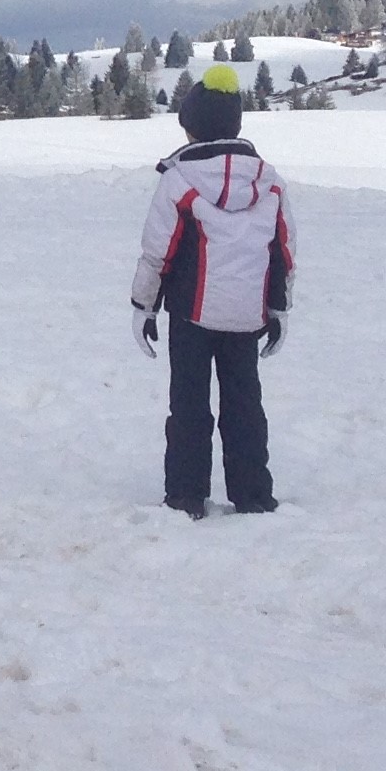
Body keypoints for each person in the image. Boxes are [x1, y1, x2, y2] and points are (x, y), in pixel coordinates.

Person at [131, 62, 293, 518]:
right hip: (247, 315)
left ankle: (186, 495)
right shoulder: (270, 181)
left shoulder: (179, 179)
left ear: (192, 128)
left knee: (189, 403)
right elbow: (284, 249)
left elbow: (157, 250)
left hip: (190, 314)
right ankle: (253, 494)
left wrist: (143, 305)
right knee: (245, 403)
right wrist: (279, 309)